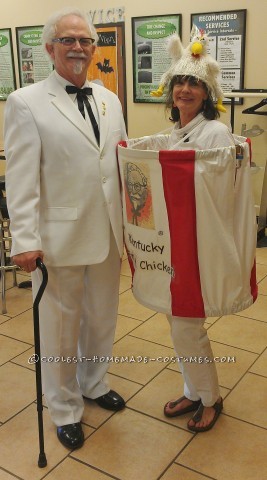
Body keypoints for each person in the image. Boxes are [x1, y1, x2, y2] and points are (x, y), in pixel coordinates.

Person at [4, 7, 127, 449]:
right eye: (69, 40)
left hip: (108, 236)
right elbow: (20, 179)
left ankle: (94, 383)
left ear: (95, 48)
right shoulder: (25, 102)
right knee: (59, 328)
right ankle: (64, 407)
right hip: (56, 241)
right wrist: (25, 240)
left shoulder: (109, 99)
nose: (78, 47)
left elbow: (115, 166)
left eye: (86, 40)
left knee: (101, 319)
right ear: (51, 48)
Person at [151, 29, 236, 432]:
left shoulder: (214, 134)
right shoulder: (175, 132)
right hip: (176, 243)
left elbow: (215, 194)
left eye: (194, 84)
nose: (185, 90)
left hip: (198, 245)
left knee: (187, 324)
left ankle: (211, 398)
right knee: (177, 321)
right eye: (179, 82)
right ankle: (193, 389)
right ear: (170, 91)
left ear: (207, 93)